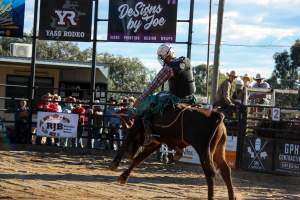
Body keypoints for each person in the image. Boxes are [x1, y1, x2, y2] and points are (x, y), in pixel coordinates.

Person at [132, 43, 196, 145]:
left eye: (162, 57)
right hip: (191, 97)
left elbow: (153, 85)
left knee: (152, 102)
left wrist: (140, 99)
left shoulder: (168, 68)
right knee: (162, 94)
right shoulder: (185, 60)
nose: (162, 59)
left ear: (167, 55)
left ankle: (149, 134)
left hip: (177, 97)